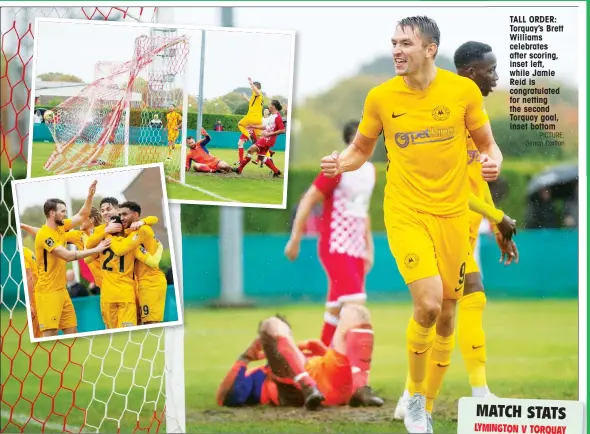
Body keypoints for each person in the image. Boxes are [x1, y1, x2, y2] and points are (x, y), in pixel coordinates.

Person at [319, 16, 503, 433]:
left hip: (454, 215)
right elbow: (360, 150)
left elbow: (489, 146)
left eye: (405, 43)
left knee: (448, 315)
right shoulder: (381, 97)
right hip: (406, 212)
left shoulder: (463, 92)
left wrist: (493, 162)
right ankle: (417, 401)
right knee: (429, 303)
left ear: (430, 49)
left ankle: (418, 400)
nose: (396, 50)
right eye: (394, 42)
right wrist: (339, 163)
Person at [394, 41, 520, 421]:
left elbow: (474, 182)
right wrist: (497, 216)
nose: (496, 76)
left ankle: (416, 399)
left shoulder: (473, 116)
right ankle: (426, 398)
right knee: (444, 307)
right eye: (490, 69)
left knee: (448, 310)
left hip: (465, 228)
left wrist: (495, 220)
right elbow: (447, 188)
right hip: (439, 226)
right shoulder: (443, 117)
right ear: (468, 73)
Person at [285, 120, 377, 354]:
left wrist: (369, 247)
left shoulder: (370, 171)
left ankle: (316, 365)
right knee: (356, 308)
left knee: (336, 311)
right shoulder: (337, 167)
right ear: (352, 140)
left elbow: (362, 211)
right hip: (336, 245)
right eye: (364, 136)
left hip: (356, 248)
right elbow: (308, 199)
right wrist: (295, 239)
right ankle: (349, 374)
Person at [216, 304, 380, 410]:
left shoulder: (307, 353)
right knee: (269, 323)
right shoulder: (262, 374)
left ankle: (360, 388)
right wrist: (246, 356)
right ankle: (307, 385)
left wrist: (322, 350)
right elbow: (226, 398)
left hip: (332, 382)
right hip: (296, 388)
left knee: (357, 312)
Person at [33, 181, 111, 337]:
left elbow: (82, 215)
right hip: (48, 292)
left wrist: (90, 196)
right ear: (52, 213)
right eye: (62, 211)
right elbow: (67, 256)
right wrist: (96, 249)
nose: (65, 214)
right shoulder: (45, 234)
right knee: (50, 335)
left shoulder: (61, 227)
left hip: (62, 291)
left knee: (72, 333)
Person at [118, 201, 167, 325]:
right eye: (120, 215)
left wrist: (143, 222)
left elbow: (152, 262)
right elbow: (153, 218)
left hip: (151, 283)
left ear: (135, 214)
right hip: (139, 284)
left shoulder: (142, 229)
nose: (122, 218)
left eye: (125, 214)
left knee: (151, 324)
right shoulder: (131, 231)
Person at [236, 100, 284, 177]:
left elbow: (282, 130)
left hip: (268, 139)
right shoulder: (272, 116)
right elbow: (265, 127)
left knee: (250, 150)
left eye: (269, 104)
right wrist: (254, 126)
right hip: (266, 138)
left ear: (273, 106)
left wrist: (269, 134)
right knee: (262, 157)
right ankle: (276, 171)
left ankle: (239, 169)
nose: (268, 106)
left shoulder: (277, 117)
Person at [236, 77, 264, 163]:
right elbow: (252, 103)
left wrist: (251, 83)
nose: (251, 88)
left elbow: (258, 92)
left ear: (256, 86)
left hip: (252, 119)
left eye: (253, 87)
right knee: (259, 143)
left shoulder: (258, 94)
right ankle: (263, 159)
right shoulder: (255, 98)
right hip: (258, 121)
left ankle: (249, 135)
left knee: (240, 124)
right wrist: (246, 98)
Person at [22, 246, 42, 338]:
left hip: (33, 298)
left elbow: (28, 277)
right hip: (40, 296)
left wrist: (29, 304)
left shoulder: (23, 253)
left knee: (35, 335)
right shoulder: (28, 251)